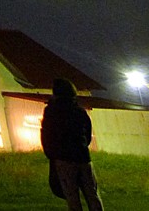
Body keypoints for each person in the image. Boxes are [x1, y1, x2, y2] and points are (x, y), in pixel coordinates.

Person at [41, 78, 105, 211]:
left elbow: (46, 133)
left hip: (63, 158)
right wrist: (81, 146)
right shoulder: (80, 111)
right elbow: (87, 134)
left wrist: (51, 153)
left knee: (72, 196)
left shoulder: (51, 111)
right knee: (92, 194)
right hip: (82, 157)